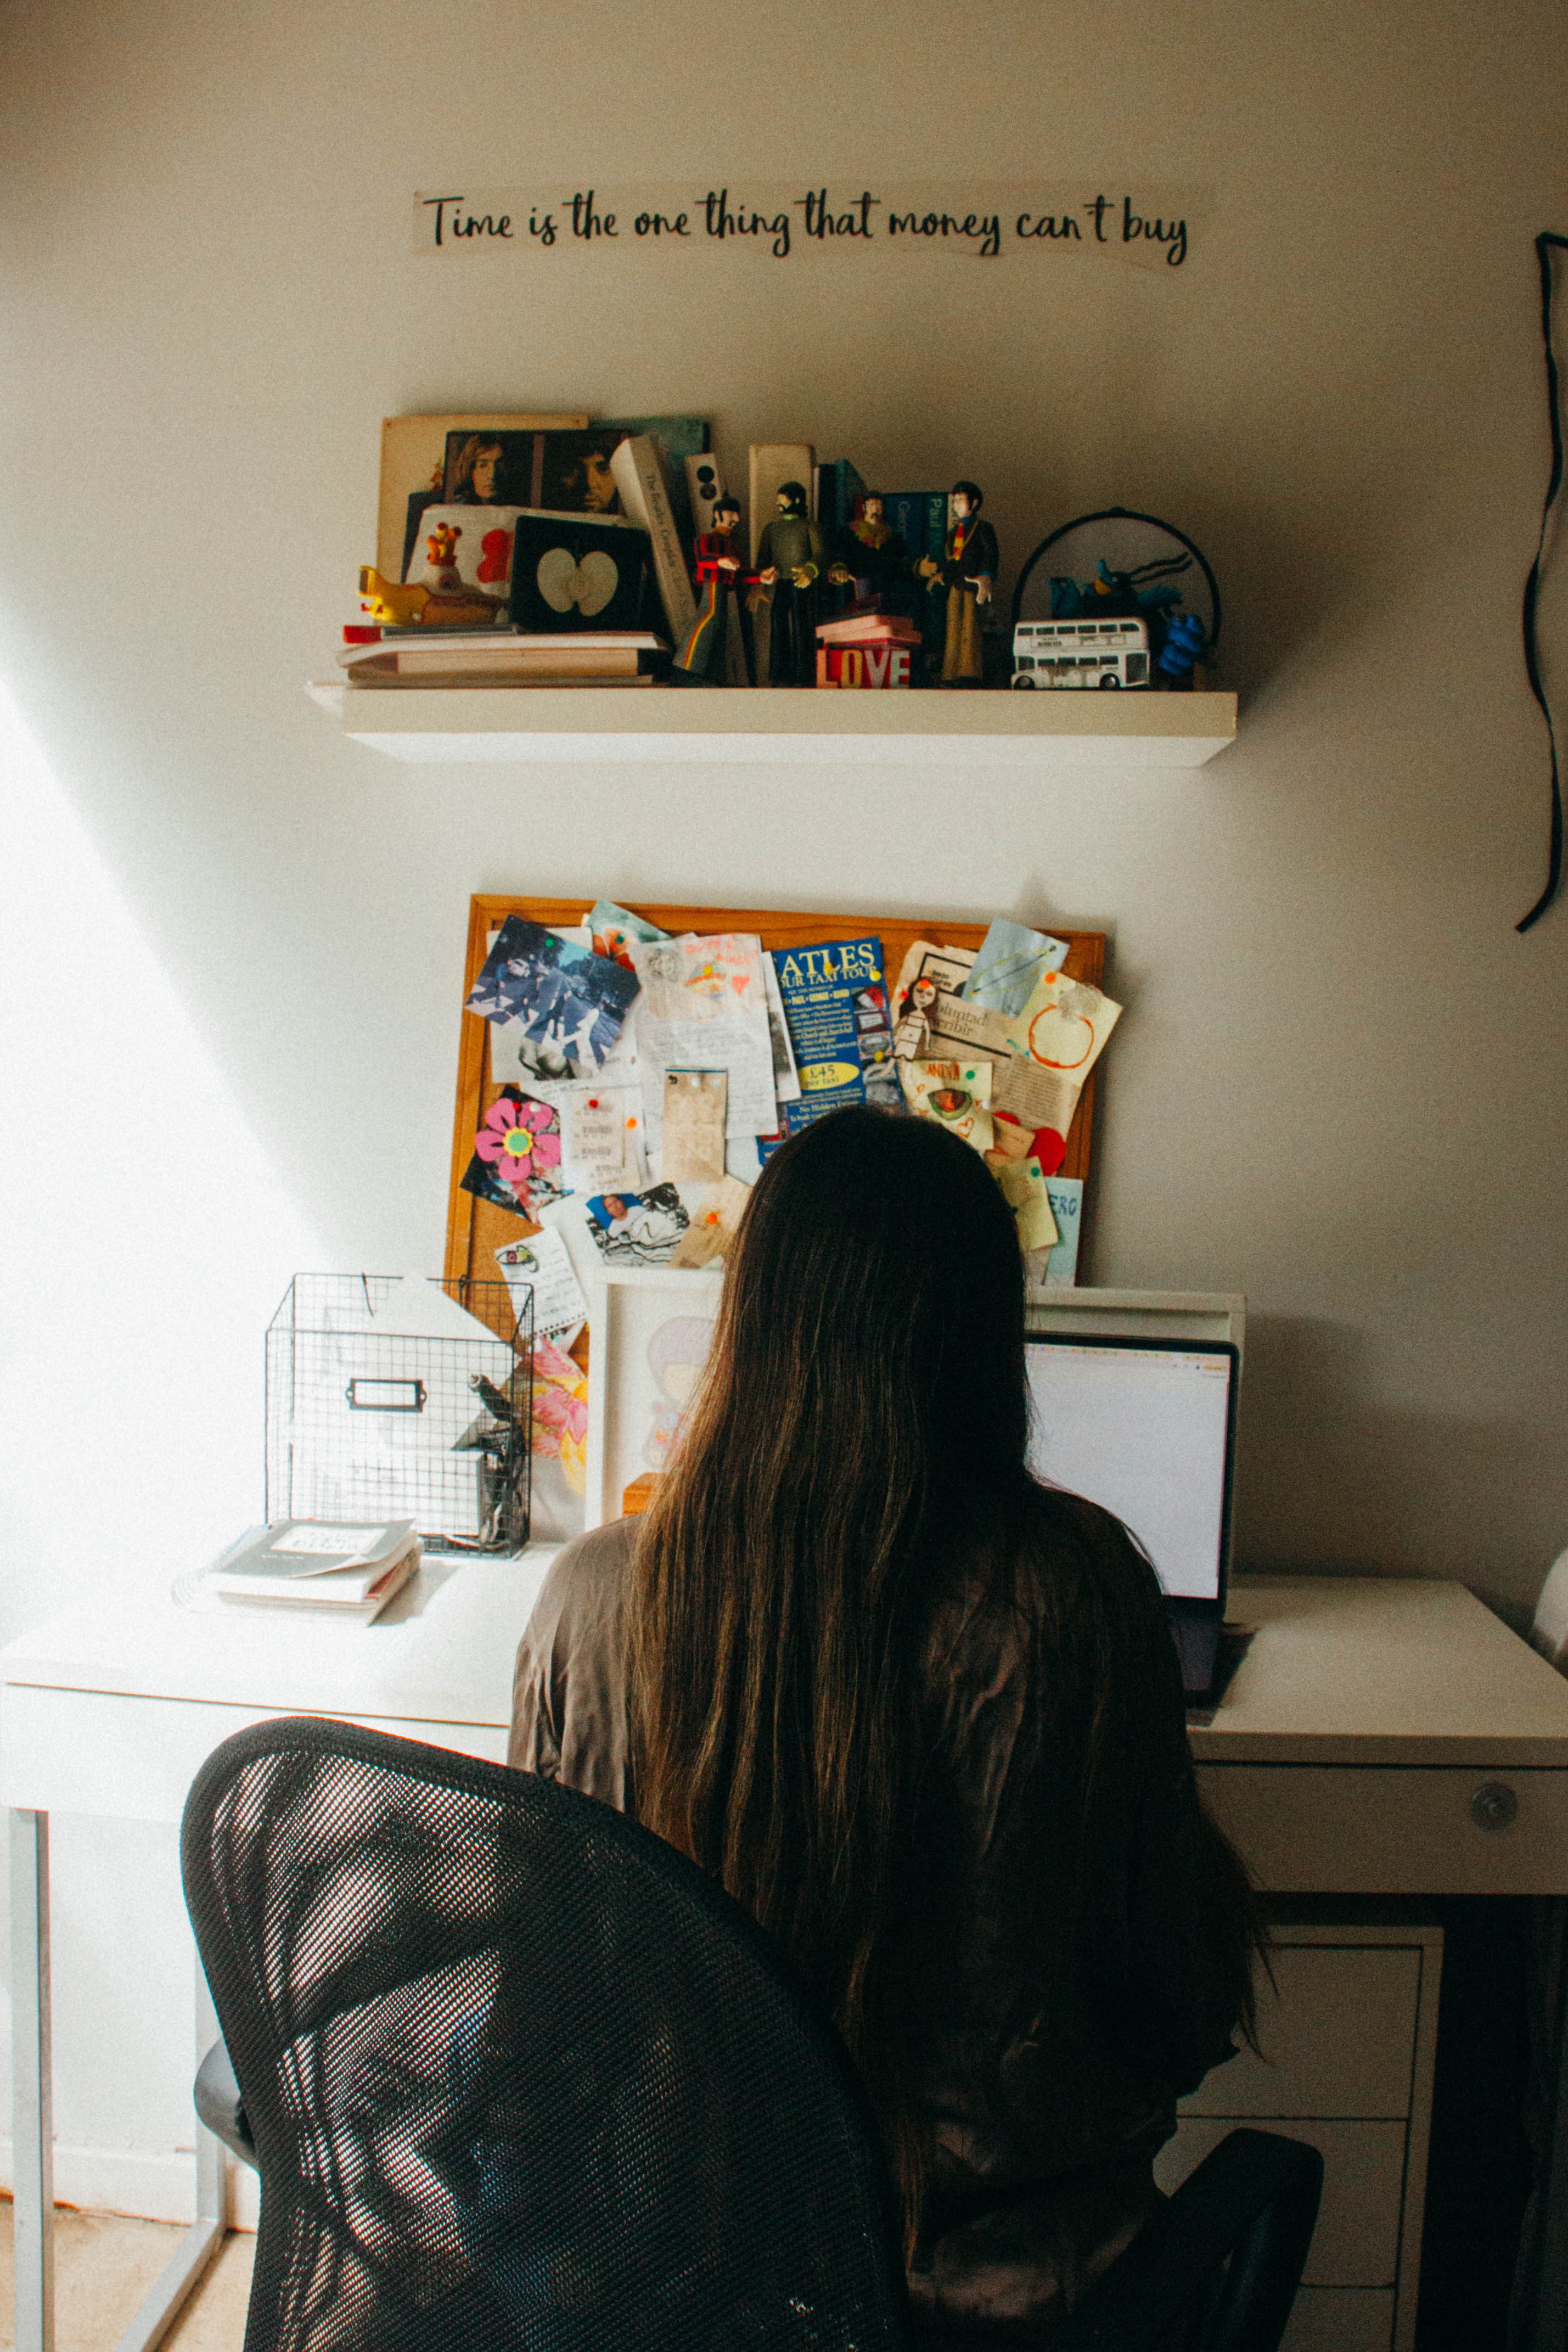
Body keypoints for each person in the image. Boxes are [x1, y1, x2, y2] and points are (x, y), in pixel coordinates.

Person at [509, 1108, 1260, 2343]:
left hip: (684, 2286)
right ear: (983, 1333)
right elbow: (1172, 2012)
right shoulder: (1072, 1594)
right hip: (999, 2299)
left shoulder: (593, 1598)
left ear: (752, 1320)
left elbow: (538, 2014)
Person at [920, 480, 999, 686]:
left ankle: (969, 672)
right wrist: (942, 577)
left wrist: (986, 576)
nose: (956, 505)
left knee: (970, 627)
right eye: (954, 501)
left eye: (960, 500)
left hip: (974, 585)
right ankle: (950, 672)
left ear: (973, 503)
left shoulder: (983, 528)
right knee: (953, 627)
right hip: (955, 584)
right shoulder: (952, 533)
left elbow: (990, 555)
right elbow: (951, 561)